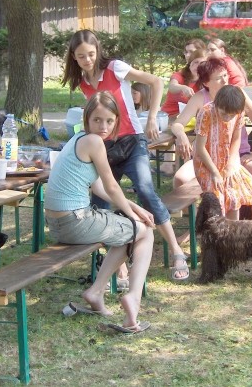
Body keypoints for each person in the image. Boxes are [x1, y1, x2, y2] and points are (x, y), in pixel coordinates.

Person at [61, 29, 190, 281]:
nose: (87, 60)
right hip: (104, 148)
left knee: (144, 188)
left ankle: (176, 251)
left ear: (97, 51)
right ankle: (118, 267)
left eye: (90, 54)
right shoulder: (83, 83)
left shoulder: (115, 68)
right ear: (74, 58)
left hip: (132, 141)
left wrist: (152, 117)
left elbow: (156, 81)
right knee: (100, 203)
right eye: (81, 56)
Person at [45, 92, 155, 331]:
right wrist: (133, 215)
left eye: (109, 121)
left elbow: (99, 187)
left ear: (116, 121)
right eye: (97, 120)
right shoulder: (93, 142)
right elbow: (112, 185)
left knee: (128, 232)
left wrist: (132, 207)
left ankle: (96, 292)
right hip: (74, 221)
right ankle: (133, 298)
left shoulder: (80, 139)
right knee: (144, 232)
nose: (103, 126)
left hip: (60, 223)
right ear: (87, 119)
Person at [172, 58, 252, 221]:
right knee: (181, 179)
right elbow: (179, 125)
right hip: (208, 157)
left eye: (226, 75)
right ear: (206, 82)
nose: (225, 80)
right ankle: (199, 225)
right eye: (219, 78)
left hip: (237, 155)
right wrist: (181, 134)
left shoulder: (236, 95)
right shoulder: (202, 102)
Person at [194, 85, 252, 219]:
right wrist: (214, 172)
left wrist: (231, 163)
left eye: (231, 115)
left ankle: (232, 232)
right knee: (217, 196)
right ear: (217, 104)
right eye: (224, 113)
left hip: (227, 159)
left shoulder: (238, 113)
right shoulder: (206, 112)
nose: (227, 118)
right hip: (206, 163)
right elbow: (200, 148)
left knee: (234, 195)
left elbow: (236, 138)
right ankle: (215, 232)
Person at [161, 48, 207, 118]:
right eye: (196, 62)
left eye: (202, 63)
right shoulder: (180, 75)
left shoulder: (206, 80)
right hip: (169, 117)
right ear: (189, 63)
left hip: (190, 118)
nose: (198, 66)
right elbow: (172, 86)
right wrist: (182, 87)